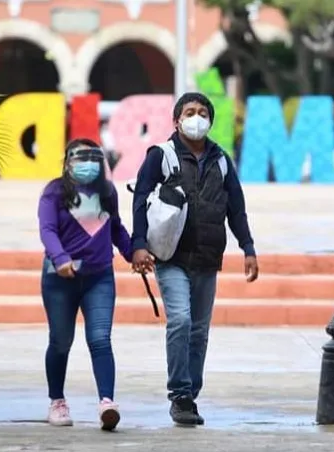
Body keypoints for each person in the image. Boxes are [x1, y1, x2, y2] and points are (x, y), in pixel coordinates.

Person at [130, 92, 259, 426]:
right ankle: (180, 394)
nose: (196, 117)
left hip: (207, 257)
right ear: (176, 120)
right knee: (182, 321)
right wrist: (138, 244)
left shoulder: (222, 161)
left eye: (203, 112)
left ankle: (190, 393)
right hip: (171, 256)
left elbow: (237, 208)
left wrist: (248, 247)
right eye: (190, 112)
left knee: (199, 331)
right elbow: (141, 198)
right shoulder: (162, 155)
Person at [37, 138, 133, 430]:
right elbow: (47, 229)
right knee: (61, 341)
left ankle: (107, 403)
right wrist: (60, 257)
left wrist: (134, 253)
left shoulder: (107, 191)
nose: (88, 164)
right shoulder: (54, 193)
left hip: (99, 277)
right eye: (81, 158)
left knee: (101, 339)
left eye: (94, 158)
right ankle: (57, 401)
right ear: (67, 162)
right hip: (59, 279)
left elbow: (115, 226)